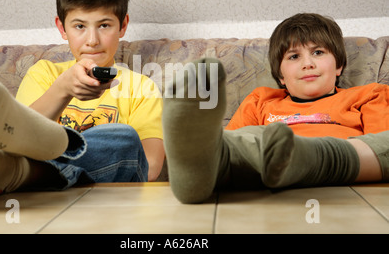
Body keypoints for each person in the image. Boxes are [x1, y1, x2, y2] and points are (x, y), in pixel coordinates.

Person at [0, 0, 164, 203]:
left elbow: (149, 167)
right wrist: (62, 90)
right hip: (43, 183)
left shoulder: (141, 87)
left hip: (100, 191)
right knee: (16, 141)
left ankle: (6, 172)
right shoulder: (44, 73)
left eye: (104, 25)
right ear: (61, 27)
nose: (92, 40)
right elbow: (16, 138)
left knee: (124, 139)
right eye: (79, 26)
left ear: (123, 25)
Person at [162, 13, 388, 204]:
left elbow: (380, 146)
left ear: (338, 65)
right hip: (265, 164)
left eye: (318, 52)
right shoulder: (261, 100)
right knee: (235, 145)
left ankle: (297, 157)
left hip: (336, 166)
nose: (307, 63)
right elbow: (233, 143)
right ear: (280, 75)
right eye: (294, 56)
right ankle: (195, 174)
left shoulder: (368, 94)